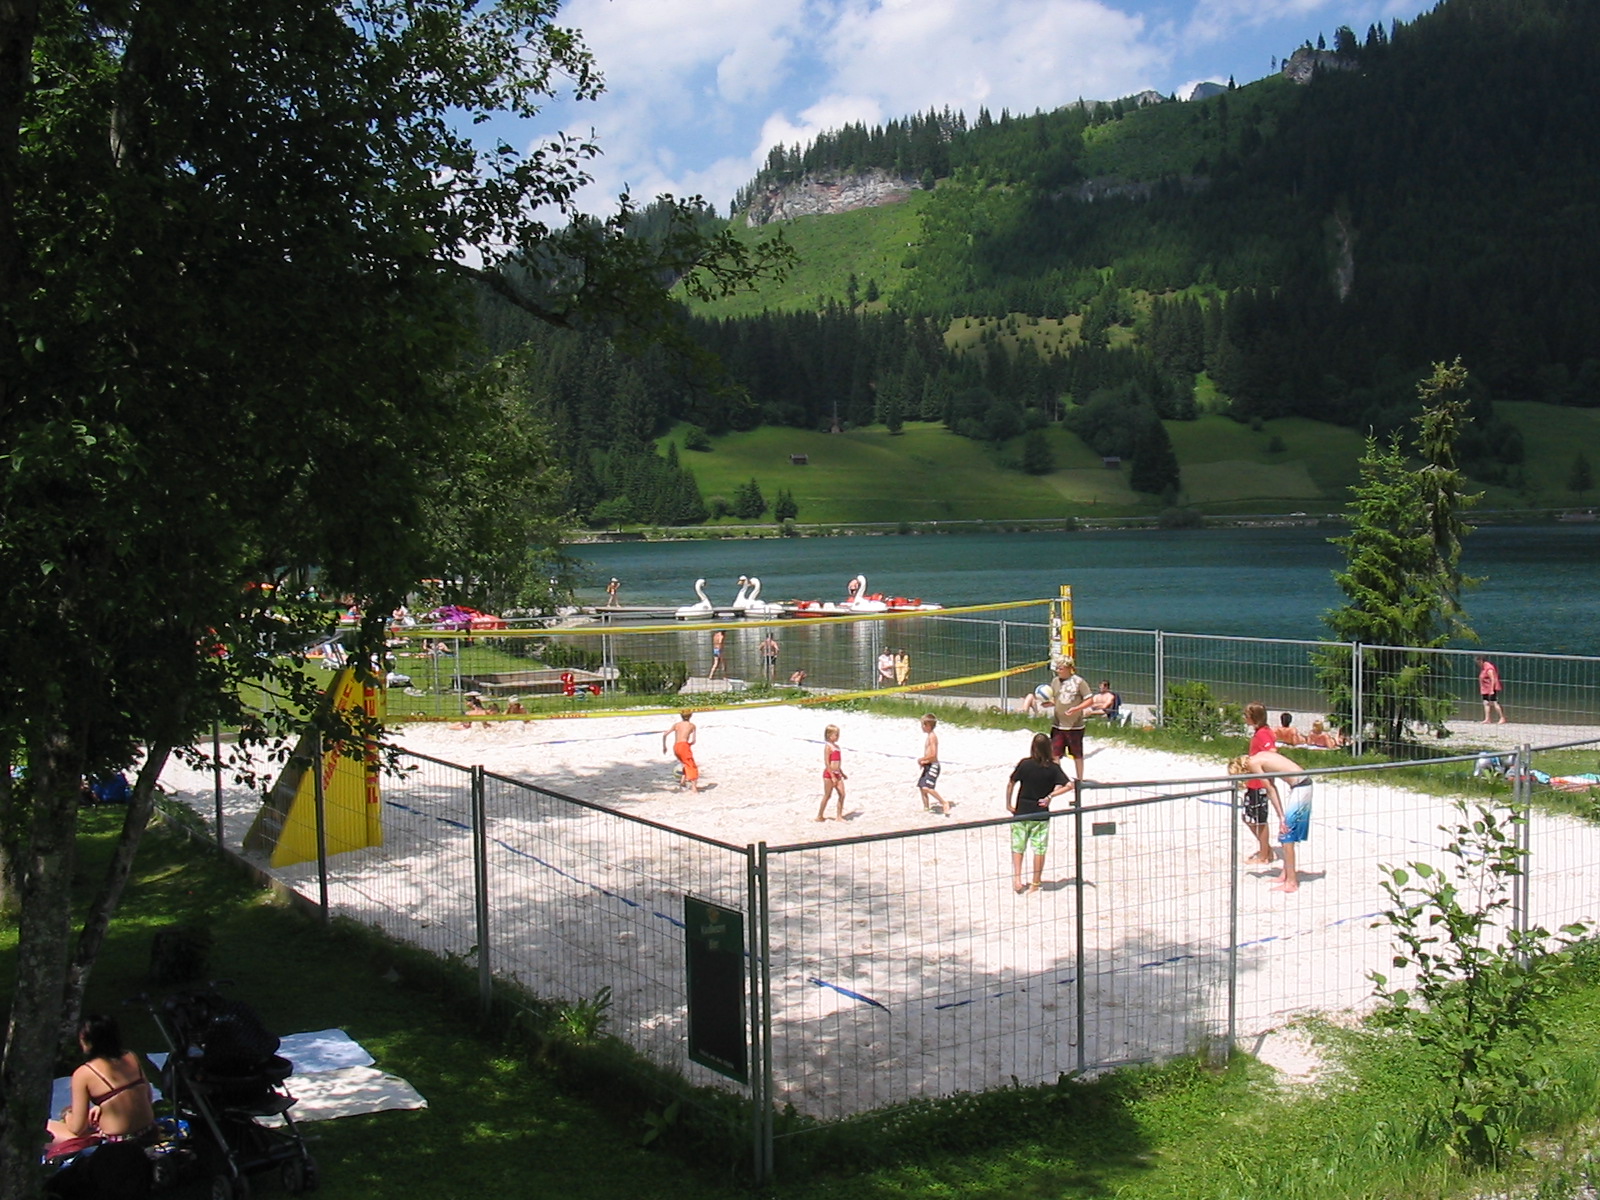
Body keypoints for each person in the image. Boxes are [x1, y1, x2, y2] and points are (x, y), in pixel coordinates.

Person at [45, 1013, 157, 1157]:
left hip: (116, 1144)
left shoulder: (84, 1073)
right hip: (149, 1134)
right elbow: (148, 1097)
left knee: (46, 1128)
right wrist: (102, 1108)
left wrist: (67, 1114)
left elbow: (77, 1128)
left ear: (86, 1039)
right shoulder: (131, 1057)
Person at [1228, 749, 1311, 894]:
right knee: (1286, 834)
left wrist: (1281, 817)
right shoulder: (1259, 756)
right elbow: (1272, 787)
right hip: (1301, 784)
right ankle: (1285, 874)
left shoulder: (1253, 763)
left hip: (1301, 786)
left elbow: (1270, 789)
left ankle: (1291, 882)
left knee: (1287, 835)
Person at [1006, 732, 1072, 893]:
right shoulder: (1053, 768)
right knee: (1039, 848)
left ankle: (1017, 879)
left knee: (1018, 846)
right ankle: (1035, 883)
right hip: (1041, 813)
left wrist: (1008, 803)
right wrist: (1050, 796)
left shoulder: (1025, 764)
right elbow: (1069, 785)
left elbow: (1011, 783)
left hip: (1022, 810)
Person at [1240, 702, 1276, 865]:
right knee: (1248, 817)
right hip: (1253, 781)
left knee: (1260, 820)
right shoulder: (1260, 732)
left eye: (1246, 715)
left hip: (1259, 783)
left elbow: (1272, 753)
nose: (1244, 718)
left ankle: (1264, 855)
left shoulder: (1263, 734)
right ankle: (1266, 848)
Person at [1048, 657, 1093, 779]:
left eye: (1060, 668)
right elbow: (1055, 699)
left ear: (1069, 668)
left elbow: (1089, 700)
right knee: (1055, 754)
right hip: (1058, 724)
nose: (1058, 670)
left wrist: (1076, 708)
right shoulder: (1055, 681)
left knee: (1077, 755)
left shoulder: (1079, 681)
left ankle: (1080, 779)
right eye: (1057, 667)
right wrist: (1048, 703)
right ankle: (1058, 779)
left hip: (1075, 726)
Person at [916, 713, 949, 816]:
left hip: (933, 766)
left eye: (923, 725)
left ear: (928, 725)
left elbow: (933, 755)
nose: (922, 727)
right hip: (928, 764)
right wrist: (925, 762)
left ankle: (944, 802)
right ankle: (926, 807)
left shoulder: (932, 737)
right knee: (922, 786)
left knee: (927, 787)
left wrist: (922, 759)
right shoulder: (929, 736)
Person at [663, 710, 700, 793]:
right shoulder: (692, 725)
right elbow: (693, 740)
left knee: (685, 763)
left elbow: (665, 734)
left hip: (676, 747)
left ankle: (682, 782)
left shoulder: (676, 725)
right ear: (691, 716)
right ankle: (694, 787)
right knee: (691, 765)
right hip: (684, 746)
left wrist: (664, 747)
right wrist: (689, 744)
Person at [816, 724, 847, 821]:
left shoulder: (837, 747)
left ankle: (839, 816)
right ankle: (819, 815)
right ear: (829, 735)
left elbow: (837, 762)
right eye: (835, 735)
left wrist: (842, 772)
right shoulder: (828, 747)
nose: (837, 737)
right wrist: (832, 775)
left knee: (842, 794)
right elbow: (827, 763)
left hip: (837, 773)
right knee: (827, 795)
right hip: (829, 774)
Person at [1479, 657, 1506, 723]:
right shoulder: (1483, 667)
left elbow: (1493, 679)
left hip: (1491, 688)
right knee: (1486, 702)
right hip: (1485, 688)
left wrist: (1491, 690)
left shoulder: (1489, 668)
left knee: (1494, 702)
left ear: (1481, 661)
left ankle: (1502, 718)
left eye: (1478, 662)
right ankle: (1487, 719)